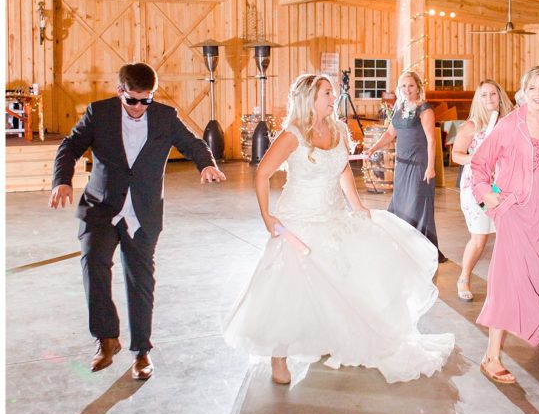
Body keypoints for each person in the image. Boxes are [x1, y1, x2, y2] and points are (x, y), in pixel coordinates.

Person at [222, 74, 454, 386]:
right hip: (299, 219)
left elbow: (342, 167)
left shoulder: (338, 129)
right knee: (290, 287)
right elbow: (263, 173)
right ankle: (279, 354)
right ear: (310, 99)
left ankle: (326, 337)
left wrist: (356, 205)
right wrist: (267, 215)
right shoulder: (293, 135)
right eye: (328, 93)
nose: (334, 97)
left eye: (333, 92)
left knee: (336, 280)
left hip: (332, 215)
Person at [50, 62, 224, 380]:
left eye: (147, 100)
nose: (140, 108)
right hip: (101, 207)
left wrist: (205, 164)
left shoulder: (164, 117)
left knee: (140, 282)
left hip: (142, 212)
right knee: (93, 262)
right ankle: (106, 338)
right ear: (120, 92)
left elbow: (193, 143)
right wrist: (61, 180)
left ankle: (141, 353)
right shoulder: (98, 113)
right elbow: (71, 146)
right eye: (133, 100)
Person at [470, 66, 539, 385]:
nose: (538, 94)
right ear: (523, 90)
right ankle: (491, 356)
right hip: (517, 210)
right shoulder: (508, 125)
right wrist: (487, 196)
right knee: (509, 278)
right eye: (532, 88)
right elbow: (479, 164)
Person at [368, 69, 445, 259]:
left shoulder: (425, 109)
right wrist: (373, 148)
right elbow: (389, 134)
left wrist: (430, 167)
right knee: (401, 204)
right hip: (401, 165)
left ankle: (422, 249)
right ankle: (402, 245)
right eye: (403, 86)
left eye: (411, 85)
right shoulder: (399, 108)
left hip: (419, 165)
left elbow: (431, 140)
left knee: (416, 204)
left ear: (418, 87)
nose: (407, 89)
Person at [451, 80, 513, 301]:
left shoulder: (507, 124)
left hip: (502, 188)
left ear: (500, 96)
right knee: (480, 238)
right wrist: (476, 158)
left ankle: (503, 284)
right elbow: (456, 154)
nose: (489, 99)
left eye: (493, 94)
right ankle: (464, 277)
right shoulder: (471, 126)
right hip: (476, 188)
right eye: (484, 95)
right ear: (479, 99)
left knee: (507, 236)